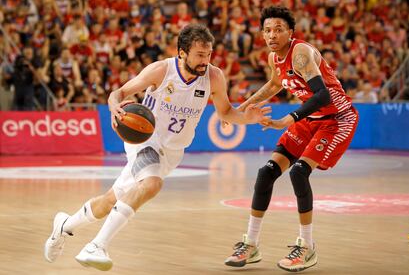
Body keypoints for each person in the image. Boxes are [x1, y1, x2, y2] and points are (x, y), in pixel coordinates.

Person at [44, 24, 271, 271]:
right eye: (199, 55)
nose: (205, 61)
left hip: (173, 152)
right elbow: (117, 93)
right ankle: (97, 245)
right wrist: (114, 106)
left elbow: (226, 112)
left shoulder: (214, 77)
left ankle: (64, 226)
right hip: (144, 139)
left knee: (111, 200)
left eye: (208, 55)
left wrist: (247, 118)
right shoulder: (161, 70)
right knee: (152, 184)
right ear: (182, 53)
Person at [224, 6, 359, 272]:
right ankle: (250, 244)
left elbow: (324, 97)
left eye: (278, 29)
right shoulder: (275, 58)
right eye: (267, 30)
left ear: (290, 32)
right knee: (266, 173)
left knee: (298, 173)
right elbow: (274, 85)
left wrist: (290, 118)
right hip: (310, 119)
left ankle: (307, 248)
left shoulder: (301, 53)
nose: (272, 35)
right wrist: (242, 108)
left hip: (336, 119)